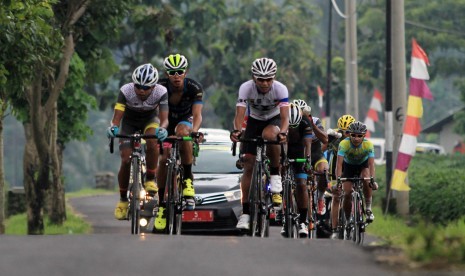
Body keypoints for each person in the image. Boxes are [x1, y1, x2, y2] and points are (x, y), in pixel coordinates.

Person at [230, 57, 290, 230]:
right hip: (254, 122)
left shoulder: (280, 89)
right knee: (248, 165)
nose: (264, 83)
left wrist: (284, 132)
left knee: (270, 134)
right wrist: (236, 130)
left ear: (274, 77)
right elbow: (240, 114)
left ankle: (275, 174)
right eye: (260, 79)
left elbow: (285, 118)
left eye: (269, 79)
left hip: (274, 119)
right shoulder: (245, 88)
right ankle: (246, 213)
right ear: (254, 77)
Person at [107, 63, 169, 220]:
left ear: (154, 86)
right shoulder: (126, 91)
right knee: (126, 160)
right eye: (138, 86)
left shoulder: (161, 92)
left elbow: (164, 118)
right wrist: (113, 127)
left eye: (147, 87)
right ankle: (122, 200)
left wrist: (162, 128)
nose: (142, 90)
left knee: (152, 140)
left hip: (150, 119)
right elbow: (117, 117)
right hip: (129, 122)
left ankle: (149, 178)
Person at [155, 54, 204, 230]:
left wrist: (196, 131)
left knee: (184, 133)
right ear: (167, 74)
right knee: (164, 159)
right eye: (172, 72)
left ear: (186, 72)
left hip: (185, 119)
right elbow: (155, 111)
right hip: (165, 122)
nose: (176, 75)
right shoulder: (159, 87)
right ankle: (161, 205)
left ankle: (187, 181)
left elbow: (197, 115)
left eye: (180, 72)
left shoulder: (193, 87)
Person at [331, 121, 379, 239]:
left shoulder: (368, 145)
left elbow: (371, 165)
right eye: (353, 135)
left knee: (366, 179)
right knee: (347, 193)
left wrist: (373, 180)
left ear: (364, 136)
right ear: (349, 135)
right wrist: (338, 181)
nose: (356, 139)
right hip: (348, 167)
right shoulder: (344, 144)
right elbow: (339, 165)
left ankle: (368, 208)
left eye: (359, 136)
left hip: (363, 165)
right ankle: (348, 218)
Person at [281, 103, 313, 237]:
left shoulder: (305, 123)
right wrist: (282, 161)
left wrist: (308, 160)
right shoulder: (281, 121)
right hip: (284, 149)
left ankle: (303, 221)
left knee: (301, 184)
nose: (293, 129)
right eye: (291, 127)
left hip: (299, 151)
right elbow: (282, 143)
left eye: (295, 127)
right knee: (280, 179)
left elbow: (307, 145)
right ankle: (283, 216)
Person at [292, 99, 329, 216]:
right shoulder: (289, 120)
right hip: (298, 153)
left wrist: (313, 126)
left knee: (324, 171)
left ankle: (320, 198)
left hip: (316, 155)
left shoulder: (316, 121)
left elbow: (325, 139)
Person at [326, 114, 355, 236]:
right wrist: (329, 139)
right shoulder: (335, 135)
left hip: (351, 164)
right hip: (335, 165)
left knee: (351, 190)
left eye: (348, 132)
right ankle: (334, 228)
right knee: (336, 195)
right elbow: (323, 148)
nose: (346, 135)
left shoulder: (357, 135)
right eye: (343, 132)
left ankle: (354, 214)